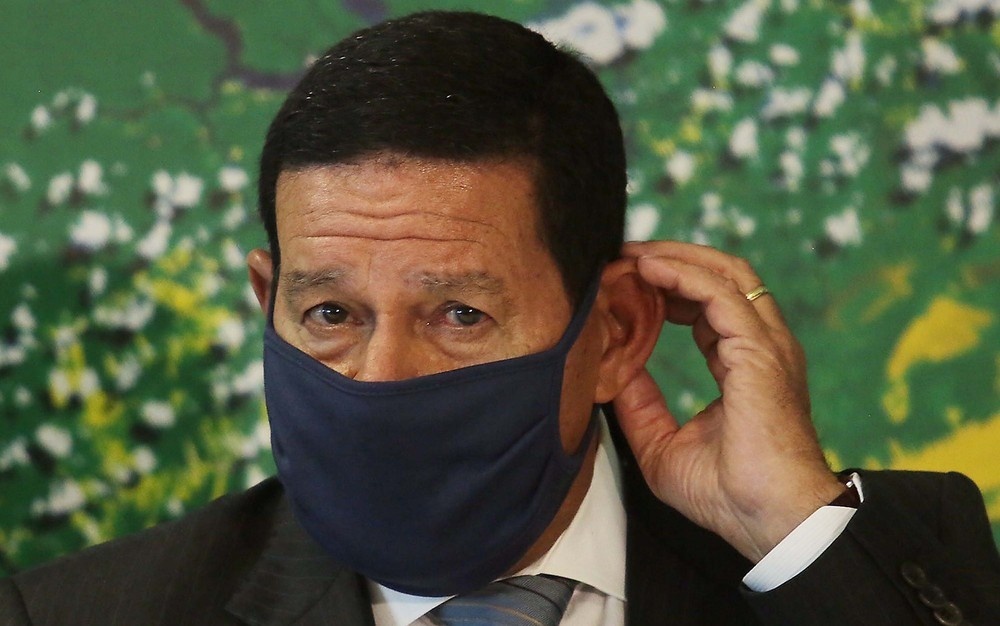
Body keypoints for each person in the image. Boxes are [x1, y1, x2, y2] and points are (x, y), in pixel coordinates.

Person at [2, 10, 999, 626]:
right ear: (269, 300)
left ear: (613, 331)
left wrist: (785, 530)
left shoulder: (873, 567)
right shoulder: (81, 614)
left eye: (459, 312)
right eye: (330, 311)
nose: (379, 377)